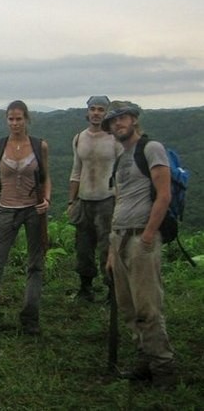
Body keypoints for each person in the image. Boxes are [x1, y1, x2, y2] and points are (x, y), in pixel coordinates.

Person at [102, 100, 176, 387]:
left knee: (148, 307)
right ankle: (145, 359)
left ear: (134, 120)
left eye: (122, 118)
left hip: (140, 238)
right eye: (112, 121)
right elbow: (119, 202)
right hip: (119, 238)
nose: (117, 124)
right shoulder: (121, 158)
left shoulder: (151, 148)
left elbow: (164, 195)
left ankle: (164, 368)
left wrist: (147, 237)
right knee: (129, 306)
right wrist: (111, 250)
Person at [0, 100, 51, 335]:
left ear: (27, 119)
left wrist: (46, 199)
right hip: (6, 210)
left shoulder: (40, 146)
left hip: (33, 211)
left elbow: (46, 178)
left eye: (19, 118)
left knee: (35, 265)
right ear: (6, 120)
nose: (15, 123)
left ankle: (30, 318)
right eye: (11, 118)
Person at [68, 96, 122, 302]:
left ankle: (112, 291)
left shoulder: (114, 140)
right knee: (83, 246)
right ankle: (85, 288)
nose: (96, 113)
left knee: (107, 247)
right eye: (93, 109)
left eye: (101, 109)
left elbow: (122, 172)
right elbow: (76, 171)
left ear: (106, 113)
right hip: (84, 199)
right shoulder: (79, 138)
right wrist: (71, 201)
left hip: (107, 199)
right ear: (87, 112)